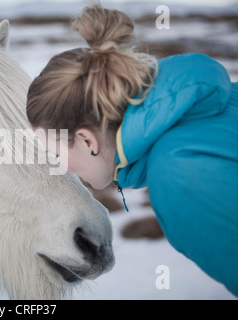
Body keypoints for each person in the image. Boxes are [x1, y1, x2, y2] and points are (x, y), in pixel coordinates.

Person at [26, 3, 238, 296]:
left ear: (88, 142)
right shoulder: (212, 107)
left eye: (57, 154)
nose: (62, 167)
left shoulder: (177, 175)